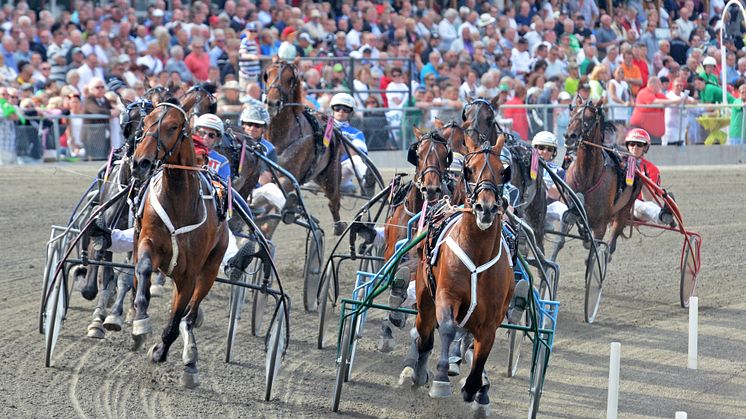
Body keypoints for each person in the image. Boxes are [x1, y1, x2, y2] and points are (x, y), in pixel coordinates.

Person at [239, 106, 287, 221]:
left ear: (264, 128)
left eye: (257, 125)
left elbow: (265, 180)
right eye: (249, 124)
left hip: (253, 194)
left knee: (270, 188)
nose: (252, 128)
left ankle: (287, 210)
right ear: (243, 125)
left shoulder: (269, 149)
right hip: (231, 192)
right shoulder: (232, 143)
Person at [624, 128, 675, 227]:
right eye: (632, 144)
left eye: (639, 145)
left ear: (645, 148)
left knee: (645, 206)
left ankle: (663, 216)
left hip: (637, 207)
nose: (635, 147)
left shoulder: (652, 169)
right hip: (617, 202)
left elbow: (648, 198)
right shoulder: (618, 162)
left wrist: (642, 180)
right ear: (627, 146)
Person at [330, 92, 374, 196]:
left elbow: (355, 153)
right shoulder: (323, 127)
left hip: (339, 175)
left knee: (355, 160)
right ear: (332, 109)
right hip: (319, 174)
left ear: (351, 113)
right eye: (337, 108)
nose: (341, 111)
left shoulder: (356, 133)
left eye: (346, 109)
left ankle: (366, 183)